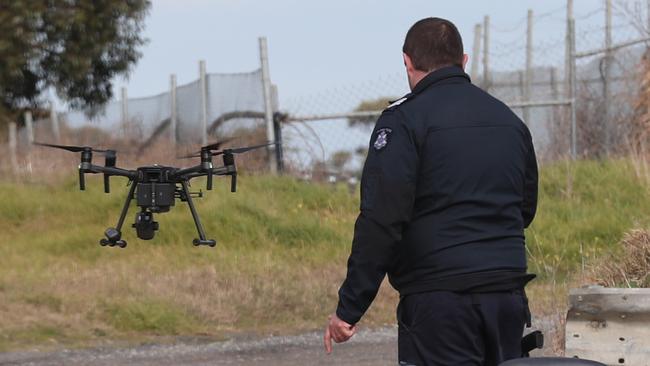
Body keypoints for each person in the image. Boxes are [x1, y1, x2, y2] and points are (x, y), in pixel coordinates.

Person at [323, 17, 538, 366]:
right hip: (506, 296)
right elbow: (525, 209)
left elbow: (381, 221)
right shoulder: (509, 121)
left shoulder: (404, 121)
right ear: (464, 60)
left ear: (406, 61)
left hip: (440, 303)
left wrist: (349, 309)